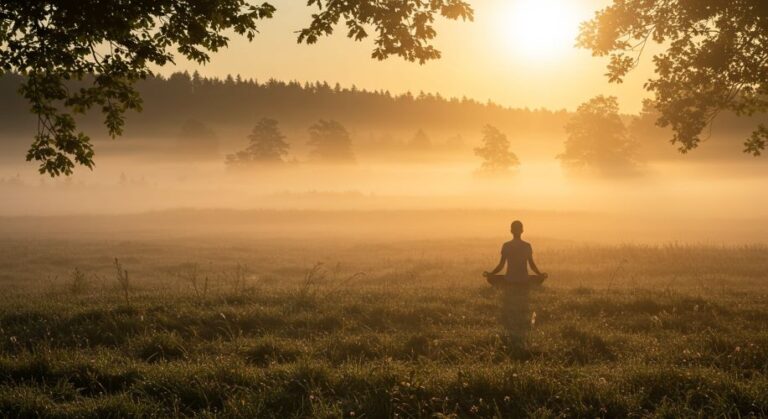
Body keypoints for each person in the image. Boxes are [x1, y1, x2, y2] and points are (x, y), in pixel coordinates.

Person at [483, 220, 548, 287]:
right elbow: (532, 265)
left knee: (490, 278)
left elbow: (501, 265)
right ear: (522, 230)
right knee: (539, 278)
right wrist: (540, 275)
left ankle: (507, 286)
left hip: (509, 280)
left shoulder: (506, 245)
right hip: (524, 280)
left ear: (511, 231)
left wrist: (491, 274)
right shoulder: (527, 246)